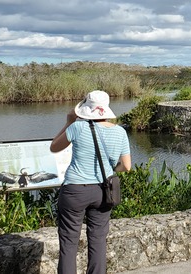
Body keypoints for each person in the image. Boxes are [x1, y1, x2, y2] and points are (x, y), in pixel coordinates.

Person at [50, 90, 132, 274]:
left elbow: (54, 147)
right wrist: (111, 168)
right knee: (98, 240)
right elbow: (126, 166)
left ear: (86, 109)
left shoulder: (77, 128)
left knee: (69, 241)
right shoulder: (120, 132)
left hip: (75, 191)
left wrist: (69, 121)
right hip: (103, 191)